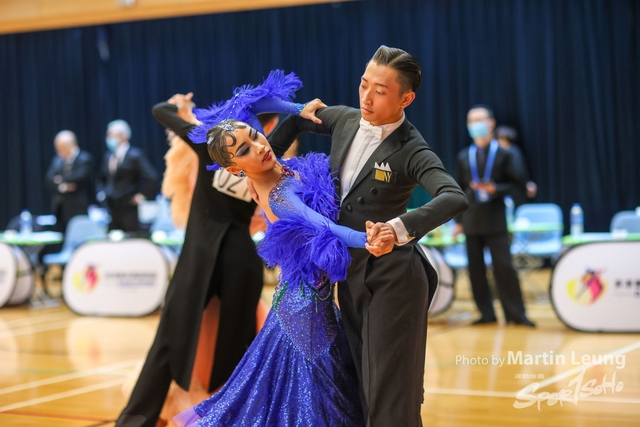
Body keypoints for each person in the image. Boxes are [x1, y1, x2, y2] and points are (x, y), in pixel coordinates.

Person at [266, 46, 469, 426]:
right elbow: (298, 120)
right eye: (363, 85)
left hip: (394, 278)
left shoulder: (411, 148)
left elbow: (453, 196)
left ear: (406, 99)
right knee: (362, 384)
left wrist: (397, 228)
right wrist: (264, 166)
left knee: (389, 393)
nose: (366, 97)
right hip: (350, 272)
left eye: (380, 90)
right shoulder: (345, 119)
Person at [116, 71, 320, 427]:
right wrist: (299, 110)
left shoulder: (207, 142)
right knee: (237, 348)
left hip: (200, 255)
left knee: (171, 341)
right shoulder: (266, 155)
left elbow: (160, 111)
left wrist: (182, 107)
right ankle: (233, 418)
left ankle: (136, 420)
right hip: (239, 256)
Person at [174, 115, 393, 427]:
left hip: (303, 297)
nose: (259, 147)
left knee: (304, 389)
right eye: (244, 150)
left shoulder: (276, 168)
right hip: (304, 305)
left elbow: (259, 105)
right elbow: (324, 226)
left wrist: (297, 108)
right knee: (316, 392)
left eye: (255, 135)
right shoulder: (278, 197)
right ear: (234, 169)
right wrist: (367, 239)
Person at [454, 105, 535, 327]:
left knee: (504, 268)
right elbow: (458, 190)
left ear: (491, 123)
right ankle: (486, 313)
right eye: (471, 121)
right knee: (475, 270)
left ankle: (516, 314)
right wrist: (458, 221)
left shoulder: (506, 153)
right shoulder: (464, 156)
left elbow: (519, 187)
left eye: (479, 120)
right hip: (471, 220)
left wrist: (496, 189)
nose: (475, 125)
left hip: (495, 219)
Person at [96, 119, 159, 233]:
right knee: (112, 238)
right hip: (111, 207)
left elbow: (152, 177)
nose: (109, 138)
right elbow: (102, 178)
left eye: (112, 135)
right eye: (108, 135)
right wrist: (102, 194)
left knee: (130, 237)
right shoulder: (108, 155)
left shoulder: (134, 155)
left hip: (128, 205)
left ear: (124, 136)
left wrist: (141, 196)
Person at [44, 130, 93, 232]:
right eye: (57, 147)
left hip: (78, 207)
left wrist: (60, 180)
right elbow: (49, 179)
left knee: (79, 234)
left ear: (72, 144)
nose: (59, 150)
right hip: (61, 208)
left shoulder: (84, 159)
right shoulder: (57, 160)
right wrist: (64, 186)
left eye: (62, 147)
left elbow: (79, 178)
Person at [495, 125, 537, 206]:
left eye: (500, 139)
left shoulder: (511, 152)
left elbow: (518, 173)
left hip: (512, 192)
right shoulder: (512, 151)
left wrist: (525, 185)